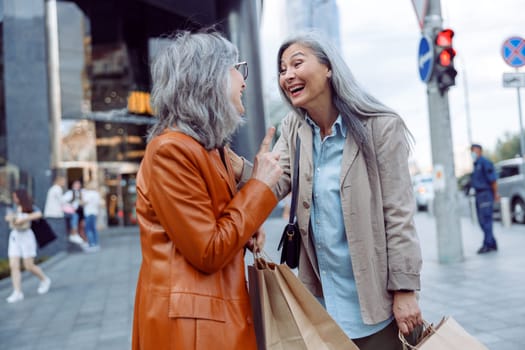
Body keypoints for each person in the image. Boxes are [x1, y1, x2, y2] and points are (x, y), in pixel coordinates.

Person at [269, 31, 422, 349]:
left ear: (329, 68)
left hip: (375, 306)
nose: (288, 75)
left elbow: (398, 215)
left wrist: (405, 290)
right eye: (282, 69)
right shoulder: (294, 130)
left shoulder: (380, 126)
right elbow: (274, 179)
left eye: (297, 63)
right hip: (320, 306)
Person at [131, 30, 282, 350]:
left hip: (211, 316)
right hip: (191, 330)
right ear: (208, 79)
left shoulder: (209, 148)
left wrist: (248, 222)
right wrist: (258, 187)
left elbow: (224, 223)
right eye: (235, 69)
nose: (243, 81)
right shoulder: (170, 150)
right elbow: (209, 250)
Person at [4, 189, 51, 303]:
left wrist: (24, 218)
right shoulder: (13, 207)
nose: (14, 199)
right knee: (13, 265)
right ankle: (17, 292)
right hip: (15, 237)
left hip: (26, 237)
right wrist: (13, 218)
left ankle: (44, 279)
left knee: (28, 266)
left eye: (16, 197)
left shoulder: (30, 206)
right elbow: (7, 217)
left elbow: (39, 214)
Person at [470, 143, 499, 254]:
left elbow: (493, 180)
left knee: (486, 221)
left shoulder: (484, 162)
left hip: (485, 194)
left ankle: (487, 245)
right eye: (472, 151)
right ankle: (492, 242)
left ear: (480, 151)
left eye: (475, 150)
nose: (473, 153)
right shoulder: (476, 164)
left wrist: (496, 194)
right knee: (482, 221)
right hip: (479, 195)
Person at [62, 180, 86, 245]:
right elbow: (63, 200)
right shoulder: (70, 193)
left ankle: (83, 241)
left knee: (82, 227)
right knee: (75, 222)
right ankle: (74, 234)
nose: (77, 185)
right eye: (76, 184)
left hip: (81, 211)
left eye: (78, 184)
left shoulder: (82, 192)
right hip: (73, 211)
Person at [82, 181, 101, 251]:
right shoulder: (96, 194)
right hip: (94, 212)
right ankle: (96, 243)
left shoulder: (87, 193)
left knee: (88, 229)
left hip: (88, 212)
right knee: (93, 229)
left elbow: (84, 202)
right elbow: (98, 204)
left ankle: (92, 244)